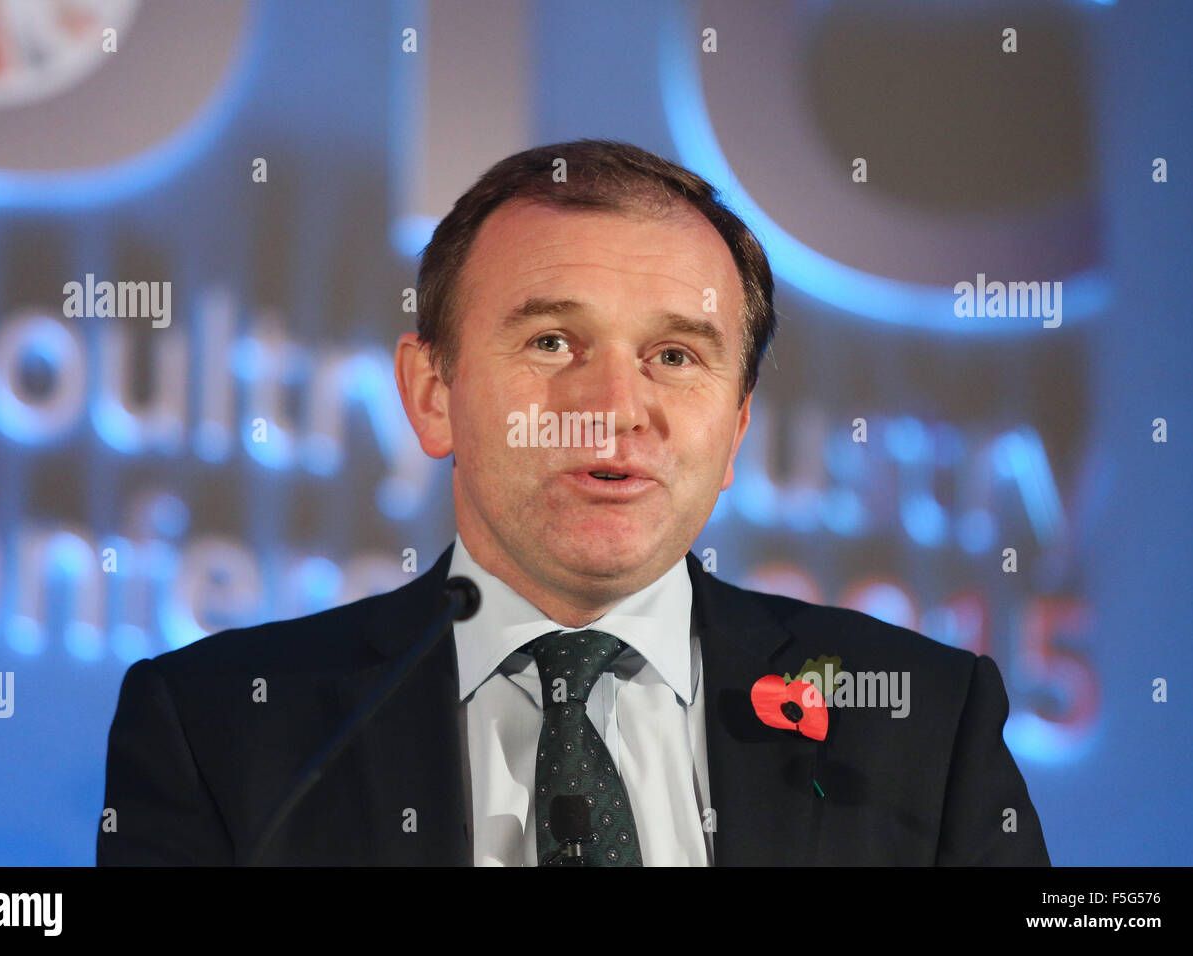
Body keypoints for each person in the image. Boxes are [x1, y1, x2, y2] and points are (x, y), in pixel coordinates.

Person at [97, 139, 1050, 866]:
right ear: (434, 395)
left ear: (735, 429)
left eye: (674, 358)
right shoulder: (220, 731)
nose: (614, 408)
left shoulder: (921, 722)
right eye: (553, 342)